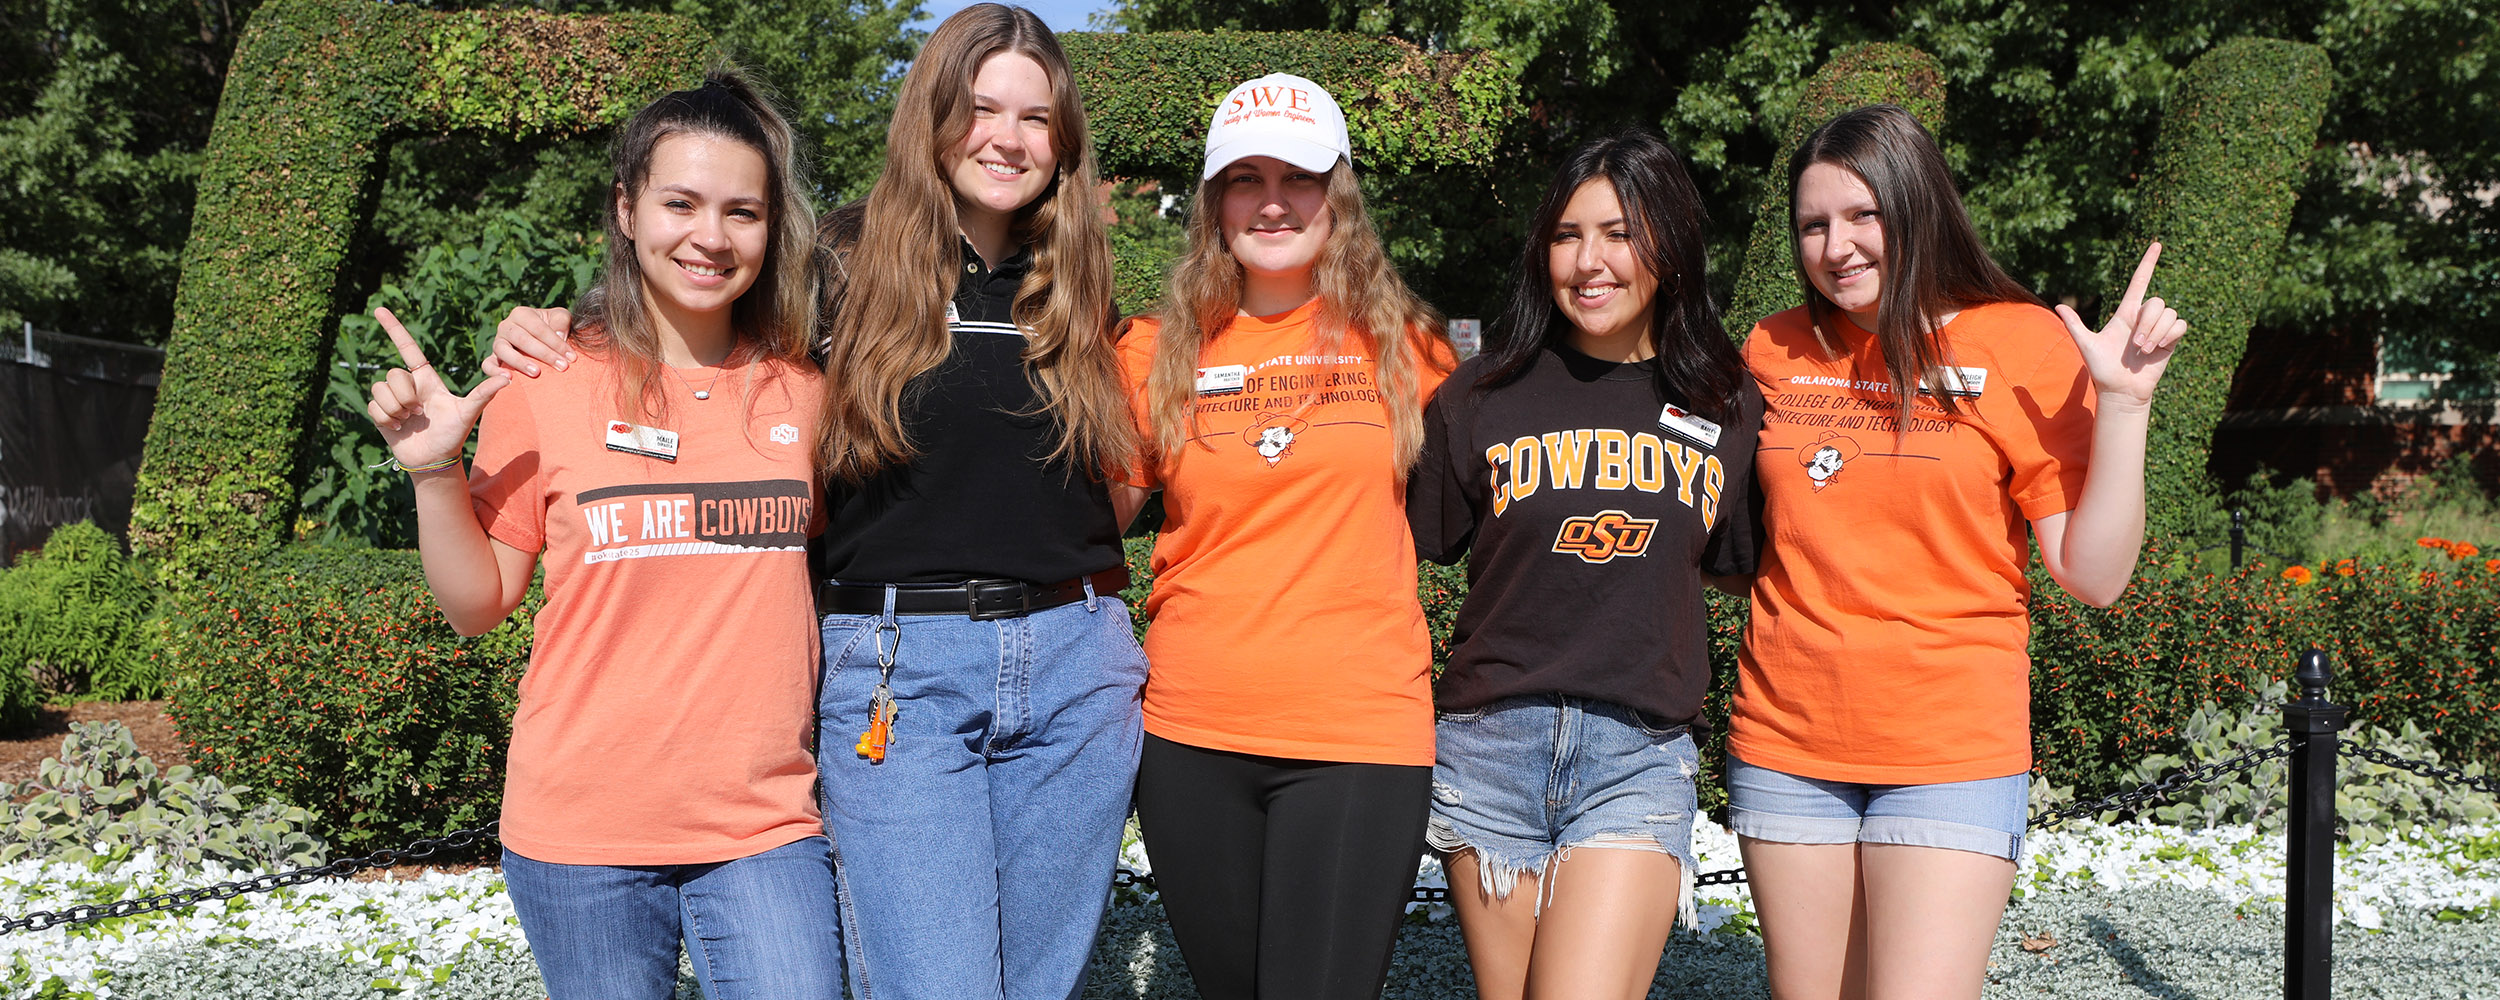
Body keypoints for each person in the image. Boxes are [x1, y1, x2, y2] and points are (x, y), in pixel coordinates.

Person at [490, 8, 1145, 1000]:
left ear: (1063, 144)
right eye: (980, 108)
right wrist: (560, 329)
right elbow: (696, 305)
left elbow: (1116, 481)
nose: (1008, 137)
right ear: (933, 114)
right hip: (900, 671)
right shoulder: (842, 265)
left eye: (1036, 117)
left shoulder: (1077, 283)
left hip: (1075, 667)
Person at [362, 71, 842, 999]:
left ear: (773, 226)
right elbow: (476, 606)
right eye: (681, 203)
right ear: (626, 209)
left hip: (764, 827)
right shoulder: (543, 382)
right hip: (578, 833)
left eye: (743, 211)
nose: (711, 236)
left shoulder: (809, 394)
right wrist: (431, 470)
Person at [1727, 104, 2187, 1000]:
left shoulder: (2018, 341)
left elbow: (2093, 576)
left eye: (1864, 215)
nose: (1838, 245)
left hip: (1951, 746)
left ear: (1918, 206)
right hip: (1787, 736)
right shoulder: (1773, 346)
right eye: (1814, 224)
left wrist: (2125, 405)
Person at [1113, 72, 1456, 1000]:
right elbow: (1084, 534)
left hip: (1357, 735)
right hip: (1191, 736)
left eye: (1297, 178)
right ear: (1214, 201)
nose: (1272, 202)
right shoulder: (1152, 352)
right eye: (1244, 178)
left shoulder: (1412, 348)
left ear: (1336, 195)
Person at [1405, 127, 1760, 1000]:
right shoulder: (1479, 395)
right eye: (1567, 236)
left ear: (1669, 246)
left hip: (1635, 754)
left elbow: (1732, 565)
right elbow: (1402, 548)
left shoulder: (1724, 399)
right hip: (1489, 744)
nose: (1589, 262)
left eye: (1619, 233)